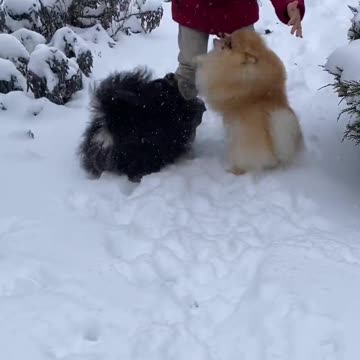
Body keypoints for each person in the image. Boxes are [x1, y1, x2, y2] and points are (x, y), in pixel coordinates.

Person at [165, 0, 305, 124]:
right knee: (189, 71)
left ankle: (258, 130)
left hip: (237, 11)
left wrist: (289, 3)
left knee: (251, 70)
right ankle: (176, 129)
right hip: (192, 9)